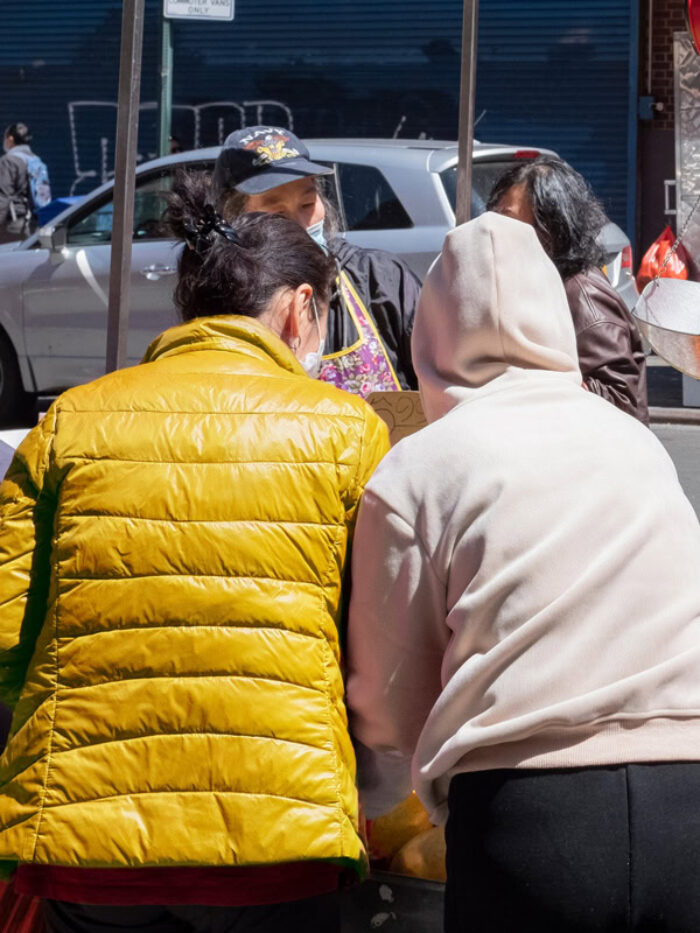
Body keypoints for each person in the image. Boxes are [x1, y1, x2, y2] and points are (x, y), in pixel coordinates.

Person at [0, 172, 389, 932]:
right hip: (282, 830)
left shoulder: (71, 419)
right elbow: (375, 640)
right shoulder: (347, 430)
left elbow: (10, 631)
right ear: (300, 309)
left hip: (86, 831)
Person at [346, 212, 700, 932]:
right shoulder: (635, 444)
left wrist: (381, 797)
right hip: (689, 792)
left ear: (430, 334)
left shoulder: (417, 468)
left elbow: (388, 703)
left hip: (527, 815)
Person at [212, 126, 420, 396]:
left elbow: (439, 382)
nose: (298, 225)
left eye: (308, 204)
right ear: (233, 218)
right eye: (276, 212)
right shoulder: (222, 298)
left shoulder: (378, 278)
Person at [487, 156, 649, 423]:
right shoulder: (535, 281)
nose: (496, 231)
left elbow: (623, 401)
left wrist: (533, 385)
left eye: (511, 220)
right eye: (495, 217)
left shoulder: (584, 296)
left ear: (553, 227)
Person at [0, 122, 51, 244]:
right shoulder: (35, 160)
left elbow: (3, 196)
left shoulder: (8, 161)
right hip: (32, 223)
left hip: (11, 225)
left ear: (10, 139)